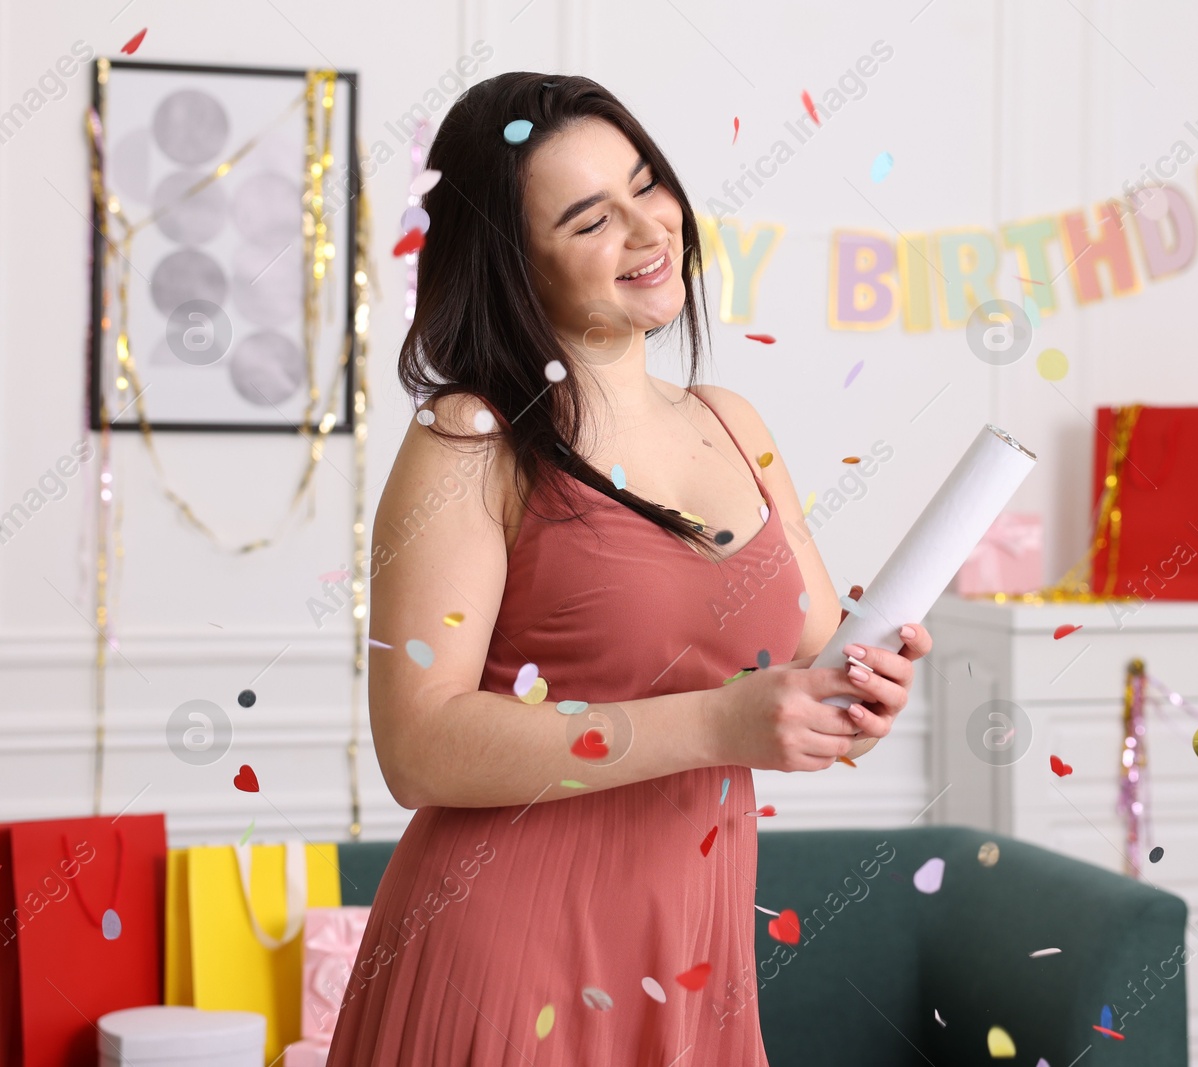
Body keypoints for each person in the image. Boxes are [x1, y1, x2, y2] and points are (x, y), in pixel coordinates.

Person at [324, 72, 931, 1066]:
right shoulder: (470, 440)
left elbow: (817, 664)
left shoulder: (736, 425)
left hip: (693, 960)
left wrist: (866, 695)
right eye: (588, 219)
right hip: (508, 957)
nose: (650, 231)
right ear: (515, 266)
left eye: (647, 184)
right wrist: (721, 721)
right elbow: (416, 742)